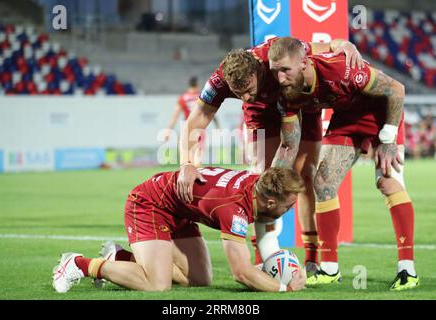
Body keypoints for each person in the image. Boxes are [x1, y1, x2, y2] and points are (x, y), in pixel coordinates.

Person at [176, 36, 364, 271]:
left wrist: (345, 45)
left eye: (248, 90)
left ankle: (313, 258)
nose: (244, 97)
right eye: (238, 93)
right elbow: (196, 119)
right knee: (261, 180)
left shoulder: (274, 53)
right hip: (261, 114)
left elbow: (326, 46)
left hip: (301, 105)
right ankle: (262, 258)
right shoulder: (220, 79)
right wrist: (186, 163)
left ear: (258, 72)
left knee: (305, 176)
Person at [267, 37, 418, 290]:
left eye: (285, 70)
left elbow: (396, 89)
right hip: (348, 118)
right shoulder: (287, 94)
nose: (280, 78)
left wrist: (389, 138)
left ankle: (407, 269)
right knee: (323, 182)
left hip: (383, 112)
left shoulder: (340, 69)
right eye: (275, 71)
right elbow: (289, 144)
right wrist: (273, 179)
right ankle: (329, 268)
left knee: (387, 181)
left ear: (304, 63)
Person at [52, 166, 307, 293]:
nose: (291, 209)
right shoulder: (234, 209)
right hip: (150, 204)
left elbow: (261, 244)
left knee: (200, 280)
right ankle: (79, 264)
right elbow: (240, 272)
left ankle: (120, 259)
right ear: (271, 202)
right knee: (157, 284)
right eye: (290, 204)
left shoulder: (258, 185)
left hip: (179, 210)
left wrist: (266, 270)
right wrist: (284, 288)